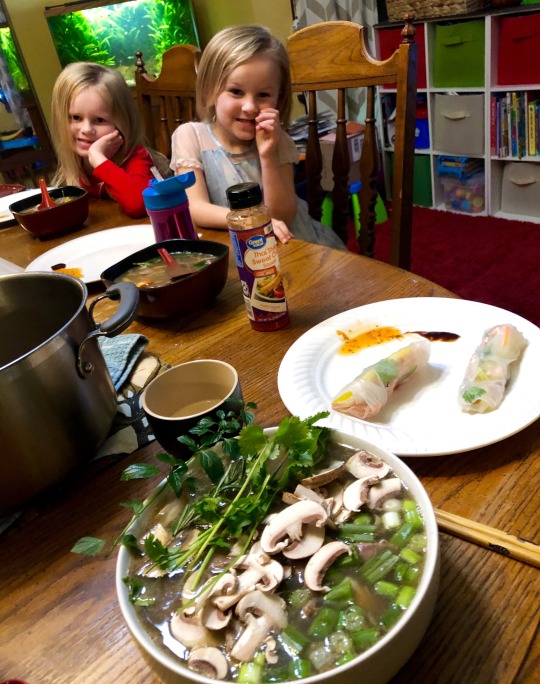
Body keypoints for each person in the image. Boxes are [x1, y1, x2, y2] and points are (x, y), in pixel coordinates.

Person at [170, 25, 346, 249]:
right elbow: (195, 208)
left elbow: (282, 216)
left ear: (278, 98)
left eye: (263, 94)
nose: (250, 107)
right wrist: (250, 222)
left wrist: (267, 156)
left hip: (292, 244)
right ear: (208, 91)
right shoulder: (191, 136)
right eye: (236, 91)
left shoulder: (278, 140)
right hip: (237, 248)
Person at [50, 62, 155, 218]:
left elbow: (139, 204)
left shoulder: (137, 158)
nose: (86, 129)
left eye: (99, 120)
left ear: (123, 122)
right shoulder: (75, 161)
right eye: (76, 117)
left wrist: (99, 159)